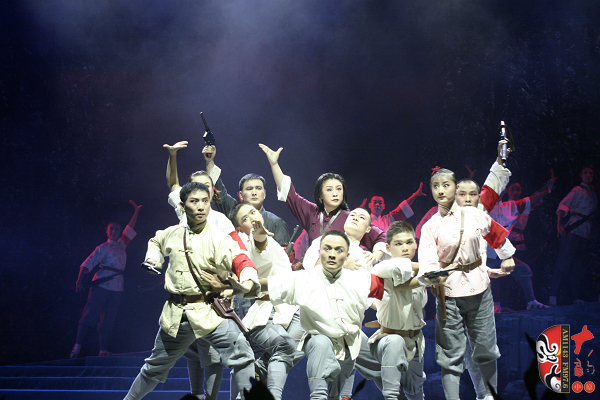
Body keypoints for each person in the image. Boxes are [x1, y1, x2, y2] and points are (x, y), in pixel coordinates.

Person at [123, 182, 260, 400]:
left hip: (210, 312)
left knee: (243, 355)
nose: (201, 206)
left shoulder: (219, 238)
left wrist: (247, 282)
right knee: (154, 368)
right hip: (177, 314)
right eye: (194, 201)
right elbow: (156, 242)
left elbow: (240, 259)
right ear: (183, 205)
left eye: (205, 201)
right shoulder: (172, 233)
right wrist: (153, 259)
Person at [258, 230, 414, 400]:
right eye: (327, 249)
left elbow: (394, 285)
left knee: (338, 389)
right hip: (316, 338)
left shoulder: (360, 277)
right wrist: (245, 285)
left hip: (349, 343)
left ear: (347, 255)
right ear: (320, 251)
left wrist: (425, 278)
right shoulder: (304, 278)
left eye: (339, 250)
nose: (332, 254)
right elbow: (268, 284)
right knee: (317, 344)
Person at [417, 168, 516, 400]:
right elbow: (428, 259)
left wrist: (507, 255)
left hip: (479, 287)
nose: (441, 190)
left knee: (486, 348)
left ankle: (488, 396)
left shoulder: (473, 214)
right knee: (450, 355)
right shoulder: (430, 226)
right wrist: (432, 276)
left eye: (446, 185)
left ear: (455, 188)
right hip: (449, 294)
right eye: (435, 186)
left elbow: (495, 232)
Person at [164, 141, 239, 400]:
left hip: (211, 291)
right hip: (186, 288)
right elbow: (173, 184)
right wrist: (173, 156)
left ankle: (211, 397)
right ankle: (197, 394)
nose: (201, 189)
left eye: (207, 185)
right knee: (192, 349)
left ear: (212, 191)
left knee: (211, 351)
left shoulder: (221, 220)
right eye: (196, 185)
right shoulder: (183, 210)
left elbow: (235, 255)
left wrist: (228, 288)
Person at [259, 144, 387, 264]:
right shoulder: (311, 212)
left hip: (341, 270)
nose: (335, 193)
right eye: (329, 190)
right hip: (314, 269)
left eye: (339, 189)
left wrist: (375, 256)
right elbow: (289, 194)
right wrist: (274, 164)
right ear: (320, 194)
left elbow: (382, 236)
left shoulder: (351, 218)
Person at [228, 201, 304, 400]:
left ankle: (248, 388)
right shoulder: (250, 245)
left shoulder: (271, 240)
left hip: (292, 308)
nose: (253, 217)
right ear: (240, 228)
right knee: (285, 346)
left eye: (253, 212)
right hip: (267, 311)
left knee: (290, 350)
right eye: (246, 218)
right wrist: (259, 236)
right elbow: (259, 251)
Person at [71, 200, 142, 359]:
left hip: (117, 287)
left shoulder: (122, 244)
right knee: (90, 314)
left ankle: (103, 349)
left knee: (108, 319)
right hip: (102, 284)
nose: (114, 231)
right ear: (107, 231)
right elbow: (87, 263)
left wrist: (136, 211)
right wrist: (79, 280)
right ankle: (77, 347)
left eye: (117, 229)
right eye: (111, 229)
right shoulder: (103, 247)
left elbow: (130, 229)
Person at [366, 221, 426, 400]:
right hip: (388, 339)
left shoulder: (420, 274)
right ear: (388, 247)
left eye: (409, 242)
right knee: (393, 394)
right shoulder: (383, 268)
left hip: (414, 341)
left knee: (416, 392)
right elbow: (393, 267)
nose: (405, 248)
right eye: (398, 244)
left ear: (416, 244)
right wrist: (427, 270)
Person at [485, 175, 555, 311]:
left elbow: (530, 200)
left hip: (502, 254)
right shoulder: (484, 208)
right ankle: (495, 306)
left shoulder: (511, 206)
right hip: (485, 256)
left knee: (524, 269)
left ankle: (531, 302)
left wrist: (546, 190)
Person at [203, 144, 291, 248]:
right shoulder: (233, 211)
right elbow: (219, 190)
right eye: (249, 189)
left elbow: (284, 254)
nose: (254, 192)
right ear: (241, 195)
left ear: (264, 194)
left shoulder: (276, 222)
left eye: (258, 188)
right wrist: (209, 161)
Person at [549, 165, 597, 306]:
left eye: (591, 173)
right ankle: (552, 297)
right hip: (574, 230)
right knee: (563, 263)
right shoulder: (578, 190)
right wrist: (559, 225)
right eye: (585, 173)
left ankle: (576, 298)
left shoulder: (593, 193)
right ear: (581, 175)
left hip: (586, 232)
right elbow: (563, 205)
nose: (588, 175)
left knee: (578, 267)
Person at [302, 207, 376, 271]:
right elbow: (308, 265)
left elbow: (368, 281)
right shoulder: (325, 239)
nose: (355, 218)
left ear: (368, 229)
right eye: (352, 215)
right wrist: (342, 264)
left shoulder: (365, 257)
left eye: (362, 217)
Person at [359, 184, 427, 232]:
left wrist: (415, 195)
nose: (377, 205)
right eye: (375, 202)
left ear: (384, 206)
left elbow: (402, 208)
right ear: (369, 205)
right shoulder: (364, 219)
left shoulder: (387, 220)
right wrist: (360, 209)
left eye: (380, 203)